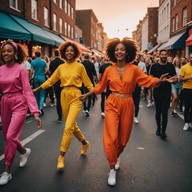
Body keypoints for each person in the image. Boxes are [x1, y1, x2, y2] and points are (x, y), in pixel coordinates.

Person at [79, 37, 176, 186]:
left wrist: (160, 80)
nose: (119, 52)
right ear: (113, 52)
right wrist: (87, 94)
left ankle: (117, 156)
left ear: (127, 52)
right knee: (111, 137)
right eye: (116, 49)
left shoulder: (135, 69)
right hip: (112, 103)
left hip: (128, 104)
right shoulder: (108, 69)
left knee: (123, 140)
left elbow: (147, 80)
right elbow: (100, 86)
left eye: (122, 50)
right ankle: (111, 168)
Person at [33, 41, 93, 171]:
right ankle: (84, 143)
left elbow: (88, 84)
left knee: (68, 127)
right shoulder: (61, 67)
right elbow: (51, 80)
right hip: (64, 95)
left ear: (75, 53)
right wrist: (38, 89)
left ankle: (61, 155)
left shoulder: (80, 66)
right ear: (63, 53)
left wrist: (89, 94)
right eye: (67, 51)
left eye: (72, 50)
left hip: (77, 95)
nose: (69, 52)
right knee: (71, 125)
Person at [0, 39, 42, 185]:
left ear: (15, 53)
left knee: (11, 136)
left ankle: (7, 171)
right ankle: (24, 152)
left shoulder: (21, 70)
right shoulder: (0, 69)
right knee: (7, 136)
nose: (6, 53)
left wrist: (35, 112)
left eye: (9, 51)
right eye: (4, 51)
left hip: (19, 103)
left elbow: (28, 91)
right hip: (5, 102)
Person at [150, 49, 177, 138]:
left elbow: (175, 78)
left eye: (165, 54)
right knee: (158, 111)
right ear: (159, 55)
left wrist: (174, 80)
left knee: (164, 112)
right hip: (157, 92)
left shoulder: (171, 67)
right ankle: (158, 127)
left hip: (167, 92)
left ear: (167, 55)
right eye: (162, 54)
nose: (164, 56)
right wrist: (159, 81)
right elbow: (150, 80)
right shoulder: (154, 66)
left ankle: (163, 131)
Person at [49, 50, 64, 122]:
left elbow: (50, 73)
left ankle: (59, 116)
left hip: (56, 83)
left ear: (54, 54)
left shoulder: (52, 62)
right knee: (63, 99)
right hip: (63, 83)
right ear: (59, 54)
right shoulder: (63, 62)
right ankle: (64, 112)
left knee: (58, 99)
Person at [179, 53, 192, 131]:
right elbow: (180, 79)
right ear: (189, 58)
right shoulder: (184, 67)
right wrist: (189, 77)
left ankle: (189, 120)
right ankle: (186, 122)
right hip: (187, 89)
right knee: (187, 107)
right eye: (191, 57)